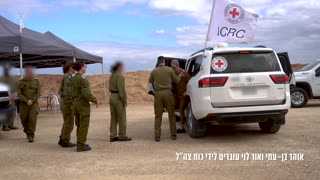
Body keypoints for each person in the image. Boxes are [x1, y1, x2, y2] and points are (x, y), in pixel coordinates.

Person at [149, 56, 183, 142]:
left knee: (158, 116)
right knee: (171, 115)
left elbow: (150, 81)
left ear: (158, 62)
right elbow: (177, 81)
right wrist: (180, 75)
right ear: (164, 62)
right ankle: (173, 135)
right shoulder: (169, 70)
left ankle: (157, 136)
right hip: (168, 93)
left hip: (158, 94)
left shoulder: (154, 71)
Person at [71, 62, 98, 152]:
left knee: (79, 124)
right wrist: (95, 100)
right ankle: (81, 145)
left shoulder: (73, 78)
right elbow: (86, 93)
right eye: (85, 66)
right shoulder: (83, 79)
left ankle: (80, 142)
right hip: (82, 103)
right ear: (81, 68)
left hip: (75, 103)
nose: (86, 68)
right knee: (84, 124)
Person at [109, 62, 132, 142]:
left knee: (113, 118)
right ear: (119, 67)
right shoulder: (119, 76)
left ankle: (113, 135)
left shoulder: (112, 75)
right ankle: (122, 136)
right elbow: (121, 90)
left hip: (112, 96)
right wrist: (124, 100)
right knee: (122, 117)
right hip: (118, 97)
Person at [17, 67, 41, 143]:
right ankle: (27, 131)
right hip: (24, 105)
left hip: (34, 104)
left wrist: (32, 100)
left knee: (32, 119)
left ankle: (31, 135)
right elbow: (19, 94)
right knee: (24, 120)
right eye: (29, 72)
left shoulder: (36, 82)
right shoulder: (20, 82)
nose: (31, 74)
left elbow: (38, 93)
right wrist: (26, 101)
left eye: (32, 72)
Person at [58, 62, 76, 148]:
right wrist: (71, 103)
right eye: (73, 67)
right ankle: (65, 140)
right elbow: (68, 92)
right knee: (69, 121)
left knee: (67, 121)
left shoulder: (67, 77)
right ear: (70, 68)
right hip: (66, 101)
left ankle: (62, 138)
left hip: (65, 100)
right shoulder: (67, 77)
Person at [170, 60, 191, 134]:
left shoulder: (183, 73)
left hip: (183, 94)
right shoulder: (172, 73)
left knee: (181, 109)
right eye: (171, 67)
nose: (172, 69)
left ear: (177, 65)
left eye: (173, 67)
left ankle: (182, 127)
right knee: (173, 108)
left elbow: (191, 81)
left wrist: (187, 92)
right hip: (177, 94)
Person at [1, 65, 19, 131]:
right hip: (4, 96)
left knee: (11, 111)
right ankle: (5, 126)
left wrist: (14, 93)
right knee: (4, 111)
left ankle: (11, 124)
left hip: (11, 97)